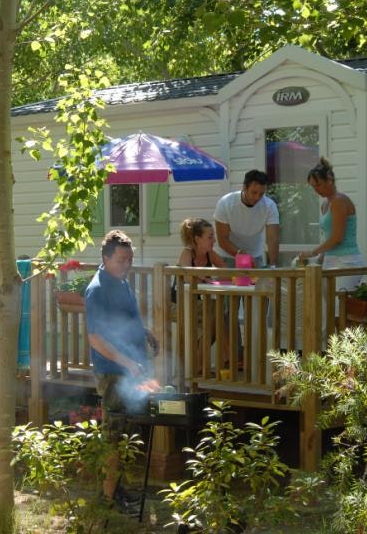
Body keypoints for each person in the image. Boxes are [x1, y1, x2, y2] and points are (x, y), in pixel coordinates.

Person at [85, 229, 159, 508]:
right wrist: (127, 362)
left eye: (129, 259)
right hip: (114, 372)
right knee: (114, 435)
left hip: (130, 370)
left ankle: (120, 490)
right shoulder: (98, 290)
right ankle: (107, 498)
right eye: (121, 260)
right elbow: (95, 338)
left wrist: (145, 331)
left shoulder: (122, 283)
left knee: (127, 434)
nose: (126, 265)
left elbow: (124, 321)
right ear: (105, 258)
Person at [173, 218, 230, 374]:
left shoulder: (210, 254)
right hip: (179, 303)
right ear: (197, 239)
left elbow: (226, 271)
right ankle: (227, 359)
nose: (214, 240)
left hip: (198, 302)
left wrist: (213, 277)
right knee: (216, 317)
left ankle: (207, 364)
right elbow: (187, 276)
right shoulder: (187, 253)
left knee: (217, 316)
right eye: (210, 237)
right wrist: (206, 277)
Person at [297, 157, 364, 291]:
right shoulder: (325, 204)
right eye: (313, 187)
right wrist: (319, 258)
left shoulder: (340, 201)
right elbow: (328, 238)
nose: (316, 190)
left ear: (329, 179)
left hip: (347, 261)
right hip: (330, 260)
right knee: (329, 309)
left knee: (339, 307)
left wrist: (312, 252)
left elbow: (337, 238)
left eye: (318, 185)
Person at [214, 169, 280, 267]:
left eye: (261, 194)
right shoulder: (225, 203)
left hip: (255, 256)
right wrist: (243, 255)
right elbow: (223, 240)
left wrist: (272, 265)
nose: (257, 197)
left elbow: (273, 239)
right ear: (244, 187)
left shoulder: (269, 206)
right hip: (228, 257)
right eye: (254, 192)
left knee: (259, 282)